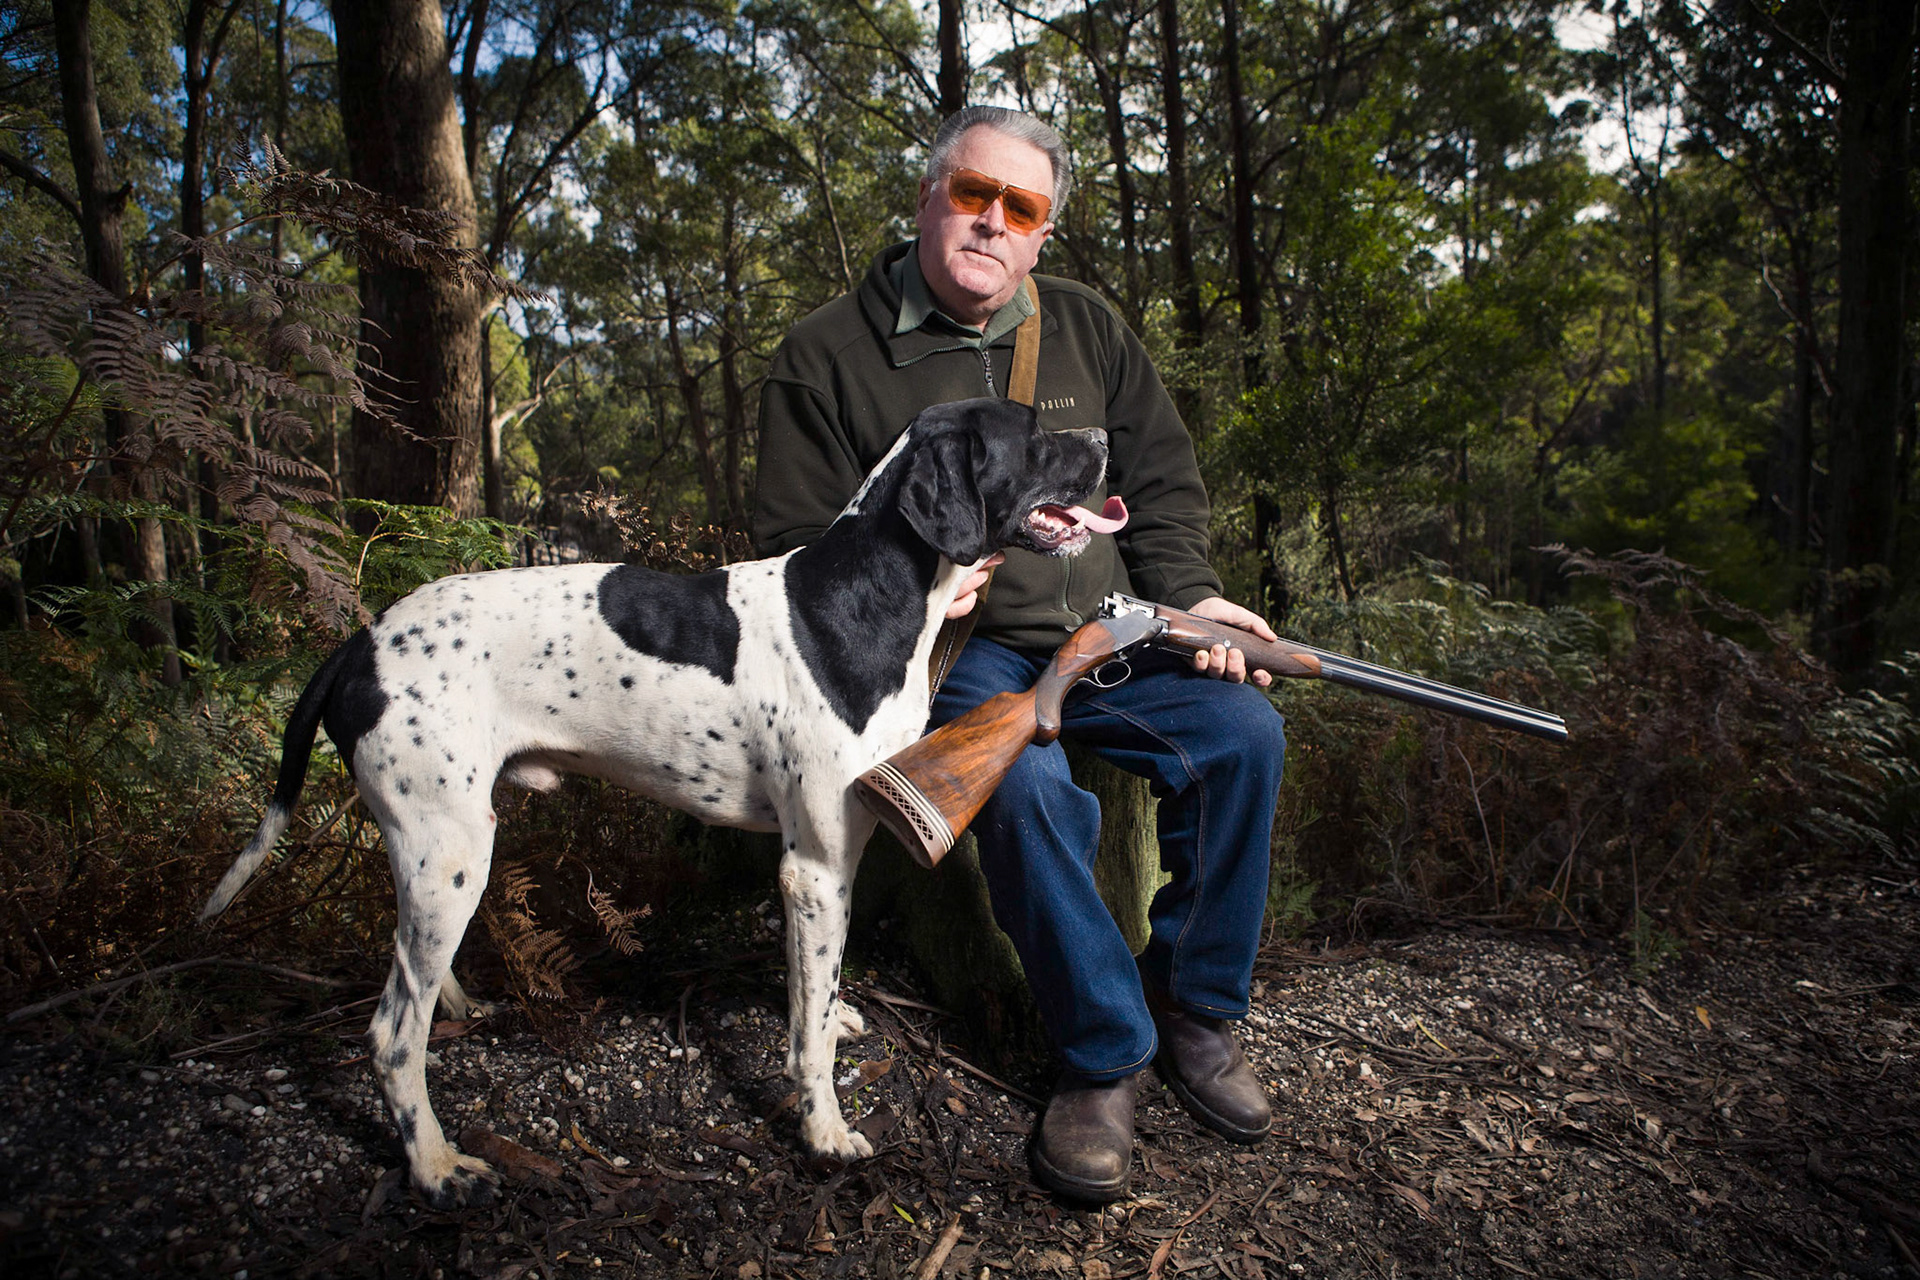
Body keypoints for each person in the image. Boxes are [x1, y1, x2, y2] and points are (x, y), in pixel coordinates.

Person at [752, 105, 1288, 1203]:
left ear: (1044, 230)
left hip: (1114, 629)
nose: (992, 222)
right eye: (971, 194)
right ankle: (1104, 1055)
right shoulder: (824, 357)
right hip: (958, 659)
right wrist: (937, 581)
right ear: (926, 200)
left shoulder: (1087, 325)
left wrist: (1192, 598)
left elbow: (1165, 485)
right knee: (1028, 789)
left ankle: (1196, 1008)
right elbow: (791, 559)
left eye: (1022, 207)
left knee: (1244, 732)